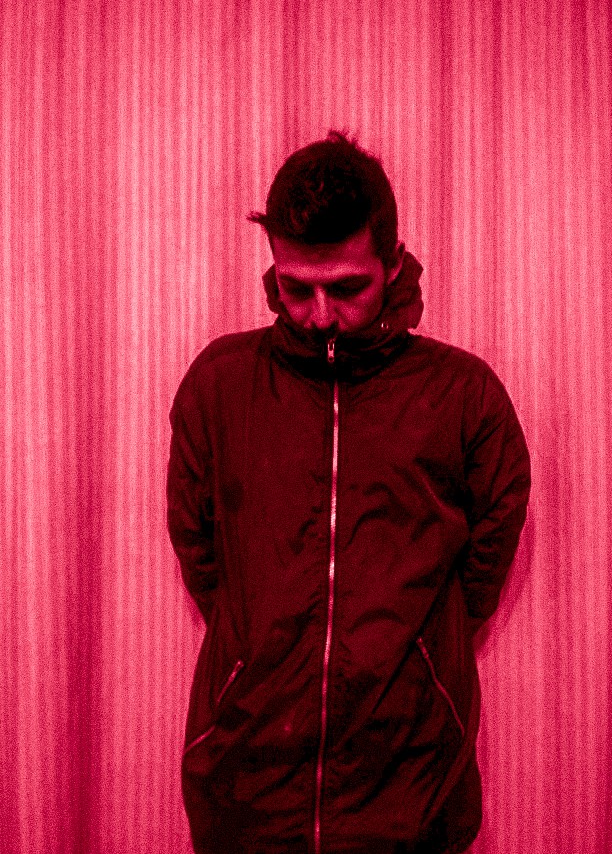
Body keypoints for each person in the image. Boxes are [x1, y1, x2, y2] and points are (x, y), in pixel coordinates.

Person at [167, 130, 531, 854]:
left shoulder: (463, 396)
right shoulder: (219, 386)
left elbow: (485, 558)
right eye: (295, 287)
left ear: (392, 264)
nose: (320, 314)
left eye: (346, 288)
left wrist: (421, 654)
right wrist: (254, 655)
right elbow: (198, 546)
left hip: (411, 781)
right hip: (246, 776)